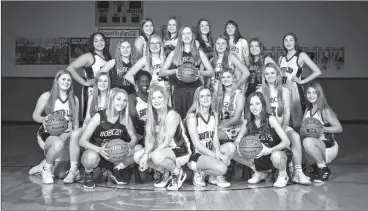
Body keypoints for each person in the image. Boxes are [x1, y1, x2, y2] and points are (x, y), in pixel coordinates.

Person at [258, 63, 311, 185]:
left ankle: (298, 172)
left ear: (277, 74)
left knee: (296, 137)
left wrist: (282, 130)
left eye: (272, 73)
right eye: (267, 74)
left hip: (282, 126)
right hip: (267, 129)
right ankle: (283, 171)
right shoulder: (260, 91)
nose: (270, 76)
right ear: (264, 76)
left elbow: (287, 113)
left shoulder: (285, 91)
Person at [79, 88, 141, 188]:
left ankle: (118, 168)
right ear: (111, 99)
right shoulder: (99, 116)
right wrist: (98, 150)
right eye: (119, 99)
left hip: (117, 155)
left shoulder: (125, 117)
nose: (122, 103)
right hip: (100, 154)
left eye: (125, 100)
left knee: (139, 149)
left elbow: (134, 137)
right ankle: (88, 174)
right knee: (90, 157)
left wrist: (129, 145)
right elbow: (82, 141)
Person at [134, 85, 192, 191]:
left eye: (159, 97)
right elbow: (149, 138)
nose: (156, 101)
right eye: (153, 98)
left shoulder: (171, 115)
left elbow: (167, 142)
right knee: (138, 156)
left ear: (165, 98)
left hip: (180, 150)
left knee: (156, 156)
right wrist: (146, 154)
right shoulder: (152, 114)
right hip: (163, 150)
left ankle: (178, 173)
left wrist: (149, 156)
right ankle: (163, 171)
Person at [30, 70, 79, 184]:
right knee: (58, 144)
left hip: (66, 136)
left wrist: (74, 135)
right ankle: (46, 168)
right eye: (63, 79)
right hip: (47, 135)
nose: (66, 82)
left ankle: (44, 164)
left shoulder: (74, 99)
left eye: (69, 80)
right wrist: (44, 119)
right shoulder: (46, 96)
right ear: (57, 81)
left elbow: (76, 121)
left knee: (61, 174)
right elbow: (35, 116)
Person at [234, 92, 292, 188]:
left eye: (257, 104)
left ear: (263, 104)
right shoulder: (247, 121)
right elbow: (237, 140)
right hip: (260, 157)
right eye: (251, 104)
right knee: (233, 150)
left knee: (276, 155)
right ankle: (259, 172)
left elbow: (286, 142)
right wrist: (239, 148)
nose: (254, 107)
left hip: (277, 154)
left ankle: (283, 175)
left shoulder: (271, 119)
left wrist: (269, 150)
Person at [62, 72, 111, 183]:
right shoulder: (92, 98)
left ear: (109, 83)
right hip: (93, 129)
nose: (102, 83)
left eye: (105, 81)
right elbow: (88, 118)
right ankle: (73, 170)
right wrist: (82, 130)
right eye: (100, 81)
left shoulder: (112, 96)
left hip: (107, 131)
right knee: (75, 134)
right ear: (96, 83)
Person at [160, 26, 214, 119]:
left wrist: (200, 73)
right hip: (179, 89)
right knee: (180, 118)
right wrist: (175, 71)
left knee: (193, 117)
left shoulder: (198, 52)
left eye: (189, 33)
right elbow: (161, 72)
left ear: (192, 36)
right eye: (183, 34)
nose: (186, 36)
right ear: (180, 37)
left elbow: (211, 72)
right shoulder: (174, 53)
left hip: (195, 89)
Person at [186, 86, 236, 188]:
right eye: (202, 96)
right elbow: (196, 144)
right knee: (222, 169)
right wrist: (216, 156)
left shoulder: (214, 114)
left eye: (208, 95)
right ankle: (198, 173)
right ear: (198, 99)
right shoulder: (192, 117)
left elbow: (215, 137)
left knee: (231, 147)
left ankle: (213, 176)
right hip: (195, 156)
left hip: (210, 152)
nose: (205, 98)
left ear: (211, 97)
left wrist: (217, 151)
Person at [279, 32, 322, 129]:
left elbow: (317, 71)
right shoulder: (281, 58)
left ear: (295, 42)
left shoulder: (301, 55)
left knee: (297, 121)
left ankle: (301, 142)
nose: (288, 42)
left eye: (291, 40)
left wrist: (302, 81)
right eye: (286, 40)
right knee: (285, 121)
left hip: (295, 91)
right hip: (282, 91)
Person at [302, 81, 342, 183]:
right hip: (314, 146)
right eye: (309, 93)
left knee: (307, 142)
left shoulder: (325, 110)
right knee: (299, 141)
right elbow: (303, 129)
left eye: (314, 93)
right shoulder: (307, 110)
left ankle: (324, 169)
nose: (311, 96)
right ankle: (310, 167)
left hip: (328, 147)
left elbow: (339, 128)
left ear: (319, 94)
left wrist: (323, 129)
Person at [67, 32, 112, 118]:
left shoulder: (107, 56)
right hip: (91, 91)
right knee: (91, 118)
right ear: (92, 43)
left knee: (104, 118)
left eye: (102, 40)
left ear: (105, 42)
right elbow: (70, 68)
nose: (100, 43)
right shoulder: (89, 56)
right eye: (96, 41)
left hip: (104, 90)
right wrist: (84, 82)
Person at [224, 20, 250, 92]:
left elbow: (247, 61)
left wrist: (244, 75)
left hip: (239, 71)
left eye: (232, 27)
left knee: (239, 92)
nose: (230, 29)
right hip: (227, 71)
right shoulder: (223, 42)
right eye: (228, 27)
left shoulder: (242, 41)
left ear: (236, 29)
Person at [128, 70, 152, 138]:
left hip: (153, 130)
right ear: (136, 83)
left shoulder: (153, 96)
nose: (145, 84)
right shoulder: (132, 97)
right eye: (142, 81)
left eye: (147, 81)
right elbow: (135, 119)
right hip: (139, 133)